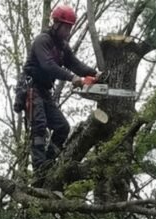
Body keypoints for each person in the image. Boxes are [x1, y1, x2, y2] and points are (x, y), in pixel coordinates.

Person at [19, 4, 98, 174]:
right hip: (32, 89)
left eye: (70, 27)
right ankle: (39, 171)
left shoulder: (63, 47)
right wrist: (73, 78)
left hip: (45, 92)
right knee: (39, 126)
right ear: (56, 24)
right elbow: (48, 65)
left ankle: (49, 163)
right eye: (66, 27)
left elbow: (76, 65)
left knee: (62, 127)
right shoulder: (43, 41)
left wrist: (95, 74)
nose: (68, 31)